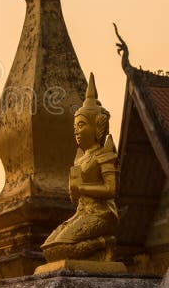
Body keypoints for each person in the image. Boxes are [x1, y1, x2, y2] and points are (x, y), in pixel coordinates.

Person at [41, 73, 119, 262]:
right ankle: (99, 246)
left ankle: (104, 243)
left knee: (63, 248)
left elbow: (111, 189)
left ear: (97, 126)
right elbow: (77, 199)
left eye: (81, 125)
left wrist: (82, 188)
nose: (76, 130)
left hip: (102, 213)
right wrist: (73, 192)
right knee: (49, 249)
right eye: (75, 126)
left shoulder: (104, 154)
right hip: (82, 212)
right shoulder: (79, 159)